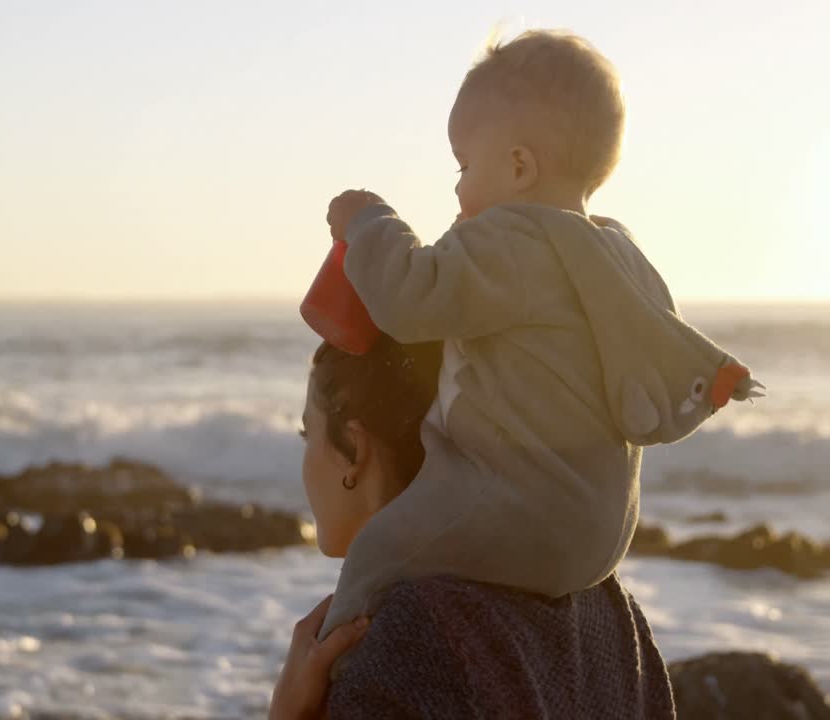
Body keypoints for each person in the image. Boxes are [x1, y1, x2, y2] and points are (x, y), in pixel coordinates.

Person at [312, 29, 762, 642]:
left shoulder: (513, 240)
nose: (457, 188)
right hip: (601, 534)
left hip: (512, 508)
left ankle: (333, 677)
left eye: (465, 166)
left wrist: (370, 222)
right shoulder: (617, 252)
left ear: (519, 166)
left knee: (375, 556)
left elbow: (410, 298)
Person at [269, 338, 675, 719]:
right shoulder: (607, 605)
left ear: (354, 450)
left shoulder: (400, 644)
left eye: (308, 434)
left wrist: (287, 713)